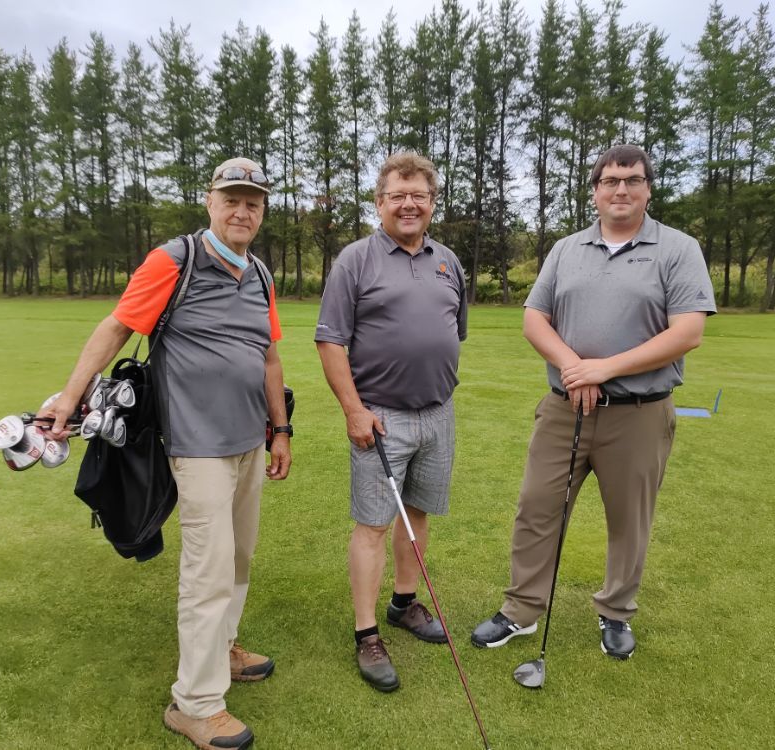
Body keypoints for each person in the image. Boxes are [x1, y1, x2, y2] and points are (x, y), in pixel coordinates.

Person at [43, 157, 291, 750]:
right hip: (197, 444)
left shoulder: (260, 273)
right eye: (232, 199)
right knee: (208, 570)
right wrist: (70, 399)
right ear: (210, 202)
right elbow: (116, 328)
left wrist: (281, 430)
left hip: (248, 441)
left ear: (262, 212)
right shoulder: (174, 260)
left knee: (238, 559)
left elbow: (268, 356)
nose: (242, 211)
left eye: (253, 203)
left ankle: (222, 649)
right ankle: (195, 705)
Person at [471, 144, 716, 660]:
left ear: (648, 189)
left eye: (632, 180)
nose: (620, 189)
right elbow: (535, 319)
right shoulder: (566, 249)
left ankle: (616, 611)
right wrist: (573, 366)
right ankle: (521, 610)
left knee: (629, 520)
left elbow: (687, 332)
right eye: (610, 181)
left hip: (639, 414)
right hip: (565, 410)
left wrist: (604, 369)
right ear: (595, 192)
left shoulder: (677, 248)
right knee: (537, 509)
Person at [316, 152, 468, 692]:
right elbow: (330, 341)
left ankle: (405, 603)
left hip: (438, 413)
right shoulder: (355, 260)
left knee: (418, 512)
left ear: (432, 203)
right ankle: (367, 634)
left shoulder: (447, 261)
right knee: (373, 525)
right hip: (379, 418)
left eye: (418, 195)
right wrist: (354, 410)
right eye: (397, 195)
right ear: (379, 203)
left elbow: (454, 330)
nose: (408, 204)